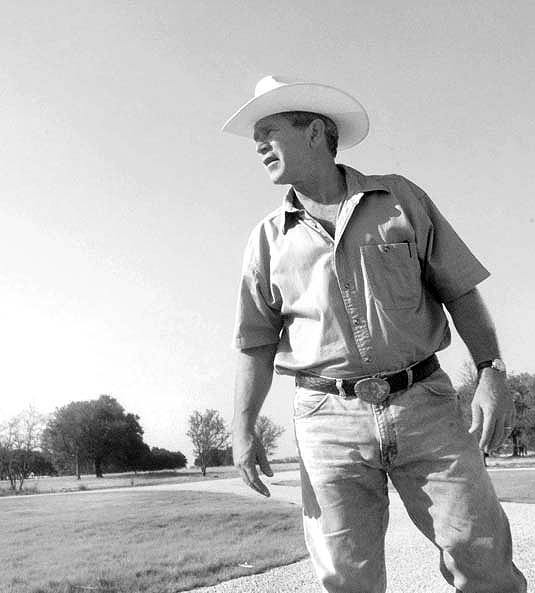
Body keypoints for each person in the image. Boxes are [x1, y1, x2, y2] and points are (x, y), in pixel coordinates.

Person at [222, 75, 527, 593]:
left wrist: (491, 372)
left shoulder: (401, 199)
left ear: (315, 132)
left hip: (425, 406)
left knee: (484, 561)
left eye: (268, 131)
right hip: (325, 421)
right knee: (347, 579)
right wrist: (242, 426)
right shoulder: (267, 240)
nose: (257, 146)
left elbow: (460, 291)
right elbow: (255, 343)